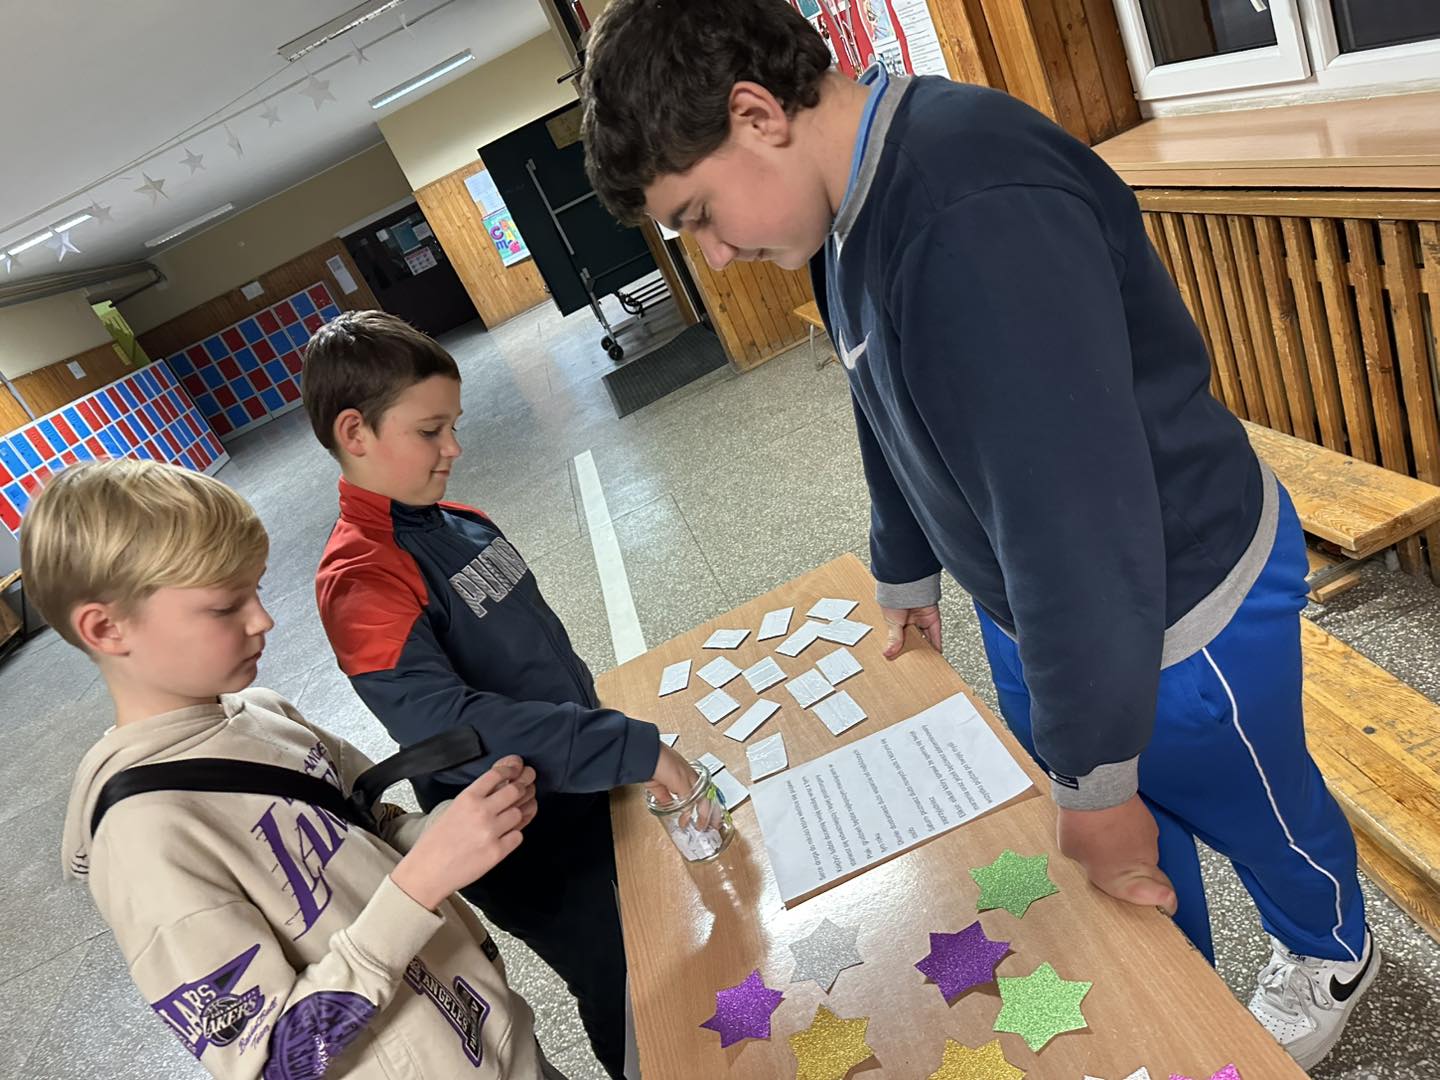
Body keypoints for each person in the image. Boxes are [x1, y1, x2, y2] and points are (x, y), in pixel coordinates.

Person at [578, 0, 1377, 1068]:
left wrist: (1093, 780)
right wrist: (906, 561)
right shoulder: (839, 209)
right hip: (1059, 613)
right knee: (1134, 849)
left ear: (757, 114)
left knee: (1253, 807)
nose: (715, 258)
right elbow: (883, 397)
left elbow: (1075, 526)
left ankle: (1330, 944)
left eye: (700, 216)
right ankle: (1185, 989)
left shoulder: (969, 215)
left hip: (1179, 607)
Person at [32, 458, 557, 1078]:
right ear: (106, 628)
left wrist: (449, 830)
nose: (263, 619)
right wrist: (419, 885)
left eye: (256, 590)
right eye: (226, 606)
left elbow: (371, 824)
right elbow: (278, 1063)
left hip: (495, 1036)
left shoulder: (264, 713)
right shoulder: (144, 841)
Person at [303, 310, 697, 1079]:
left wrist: (604, 746)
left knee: (664, 935)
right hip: (523, 835)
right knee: (624, 981)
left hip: (586, 784)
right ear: (355, 432)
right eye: (430, 431)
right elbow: (449, 725)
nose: (453, 447)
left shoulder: (463, 523)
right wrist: (627, 745)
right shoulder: (360, 579)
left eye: (454, 425)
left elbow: (537, 662)